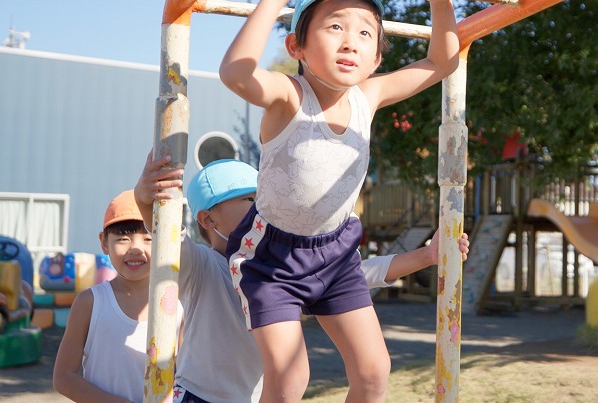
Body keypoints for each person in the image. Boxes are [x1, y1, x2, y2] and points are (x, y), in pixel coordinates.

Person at [217, 0, 461, 403]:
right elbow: (235, 73)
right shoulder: (290, 96)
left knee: (373, 373)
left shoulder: (368, 96)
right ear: (297, 48)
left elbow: (441, 62)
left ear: (375, 60)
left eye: (365, 34)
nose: (351, 41)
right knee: (290, 379)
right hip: (271, 259)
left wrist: (441, 4)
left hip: (337, 253)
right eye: (334, 27)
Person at [137, 153, 469, 403]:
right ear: (208, 219)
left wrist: (426, 256)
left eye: (263, 199)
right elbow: (169, 240)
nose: (262, 208)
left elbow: (364, 272)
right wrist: (145, 199)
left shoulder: (281, 265)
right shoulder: (203, 264)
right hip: (200, 397)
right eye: (249, 200)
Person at [53, 189, 181, 403]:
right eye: (123, 238)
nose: (136, 248)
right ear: (104, 242)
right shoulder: (90, 303)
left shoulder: (179, 305)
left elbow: (187, 376)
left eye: (148, 238)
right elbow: (64, 378)